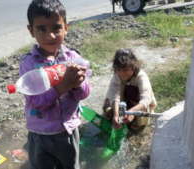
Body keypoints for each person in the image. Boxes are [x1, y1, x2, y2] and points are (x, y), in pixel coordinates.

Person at [20, 0, 90, 168]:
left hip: (67, 131)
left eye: (56, 28)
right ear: (31, 30)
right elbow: (35, 101)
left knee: (70, 165)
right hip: (40, 133)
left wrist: (78, 83)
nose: (50, 35)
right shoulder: (29, 64)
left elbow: (84, 93)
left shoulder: (73, 59)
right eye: (41, 29)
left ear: (66, 27)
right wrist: (63, 86)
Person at [102, 48, 156, 133]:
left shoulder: (141, 77)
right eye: (118, 70)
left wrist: (132, 112)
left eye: (125, 70)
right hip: (124, 103)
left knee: (136, 126)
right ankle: (117, 122)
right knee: (108, 106)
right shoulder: (117, 75)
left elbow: (146, 100)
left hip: (139, 105)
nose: (121, 73)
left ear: (133, 67)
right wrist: (116, 115)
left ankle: (136, 126)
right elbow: (115, 96)